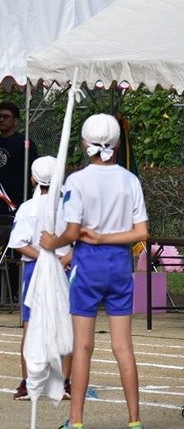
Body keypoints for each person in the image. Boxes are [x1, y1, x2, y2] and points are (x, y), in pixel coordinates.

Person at [41, 114, 147, 429]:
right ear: (115, 144)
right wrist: (108, 238)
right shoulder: (130, 179)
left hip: (87, 264)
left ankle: (76, 421)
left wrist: (51, 243)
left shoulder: (78, 181)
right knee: (123, 346)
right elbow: (141, 232)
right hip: (118, 263)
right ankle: (134, 420)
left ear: (85, 143)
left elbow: (72, 231)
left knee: (83, 346)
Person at [7, 155, 72, 402]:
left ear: (33, 179)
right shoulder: (68, 206)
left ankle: (28, 383)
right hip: (64, 268)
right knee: (67, 325)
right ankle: (64, 382)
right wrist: (61, 260)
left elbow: (19, 243)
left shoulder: (28, 208)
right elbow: (80, 241)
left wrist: (44, 258)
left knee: (30, 325)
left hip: (36, 268)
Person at [0, 102, 38, 215]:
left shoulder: (24, 143)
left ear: (15, 121)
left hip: (19, 200)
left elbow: (33, 171)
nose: (1, 119)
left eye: (6, 117)